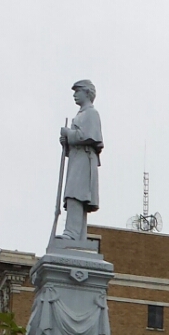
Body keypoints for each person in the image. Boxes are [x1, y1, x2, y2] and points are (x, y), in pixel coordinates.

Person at [58, 79, 102, 242]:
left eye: (78, 91)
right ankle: (77, 234)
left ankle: (72, 233)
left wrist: (68, 134)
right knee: (74, 194)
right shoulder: (81, 114)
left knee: (75, 194)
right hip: (77, 158)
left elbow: (87, 136)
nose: (75, 95)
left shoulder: (91, 113)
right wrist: (66, 142)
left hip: (84, 159)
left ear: (87, 93)